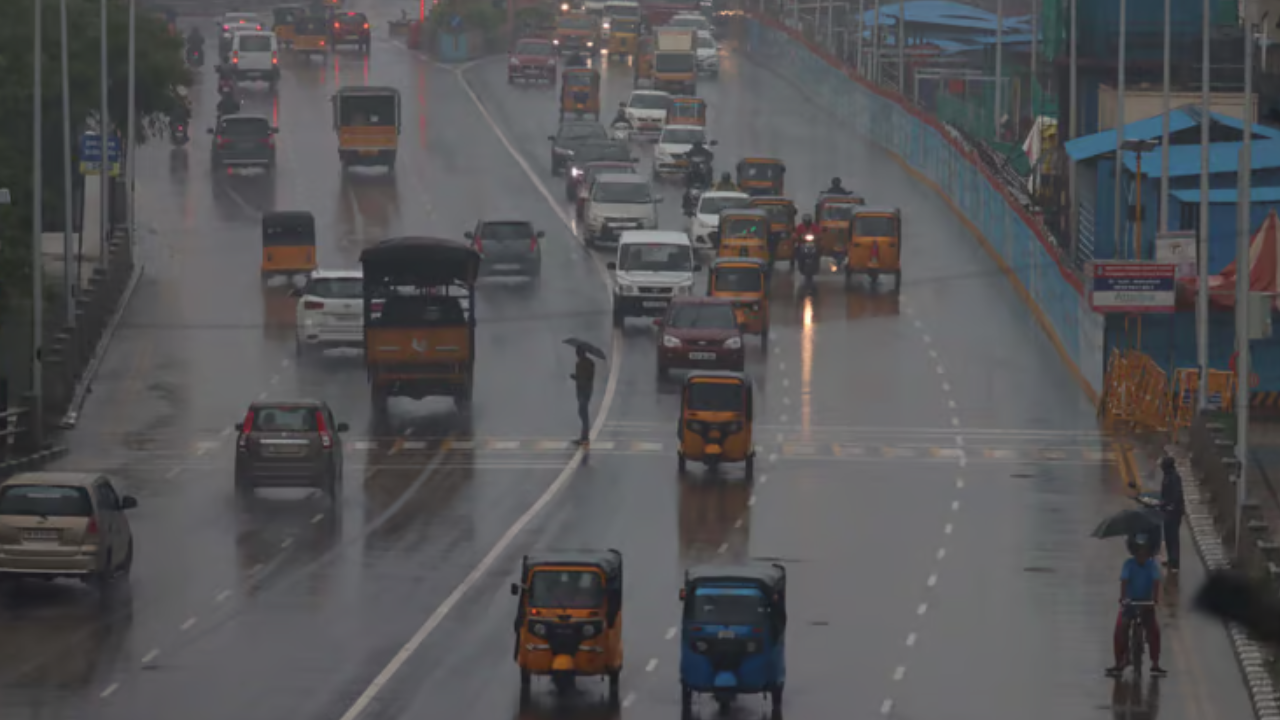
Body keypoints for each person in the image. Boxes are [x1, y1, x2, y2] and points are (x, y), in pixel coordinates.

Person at [1107, 537, 1166, 677]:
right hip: (1130, 604)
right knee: (1120, 628)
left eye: (1144, 551)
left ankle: (1155, 663)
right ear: (1134, 551)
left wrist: (1154, 599)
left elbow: (1156, 581)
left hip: (1146, 604)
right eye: (1139, 551)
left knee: (1154, 632)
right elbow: (1124, 581)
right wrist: (1123, 599)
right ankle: (1119, 661)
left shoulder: (1152, 565)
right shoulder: (1128, 564)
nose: (1141, 554)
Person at [1159, 455, 1185, 572]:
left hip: (1174, 512)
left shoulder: (1174, 477)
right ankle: (1171, 559)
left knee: (1173, 537)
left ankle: (1175, 563)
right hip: (1167, 510)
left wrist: (1171, 506)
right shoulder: (1167, 476)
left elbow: (1177, 494)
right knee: (1168, 536)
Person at [570, 346, 595, 444]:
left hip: (584, 391)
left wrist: (577, 378)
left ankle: (585, 437)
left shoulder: (583, 364)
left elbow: (586, 377)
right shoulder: (589, 363)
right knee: (582, 413)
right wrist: (576, 377)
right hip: (585, 390)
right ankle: (584, 436)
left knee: (583, 413)